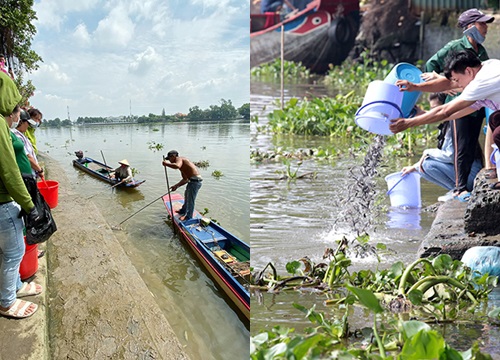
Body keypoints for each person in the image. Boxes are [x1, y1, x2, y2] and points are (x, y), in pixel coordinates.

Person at [389, 50, 500, 188]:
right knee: (495, 119)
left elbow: (445, 111)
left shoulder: (481, 82)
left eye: (458, 80)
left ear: (468, 71)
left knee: (498, 133)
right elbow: (453, 109)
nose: (458, 85)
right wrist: (416, 88)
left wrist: (408, 123)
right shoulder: (486, 67)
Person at [423, 8, 493, 200]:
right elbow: (431, 65)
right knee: (460, 148)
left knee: (471, 145)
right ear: (470, 27)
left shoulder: (482, 50)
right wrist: (443, 88)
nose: (485, 28)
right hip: (457, 104)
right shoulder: (454, 47)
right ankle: (459, 188)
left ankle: (467, 186)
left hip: (476, 105)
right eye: (482, 24)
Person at [0, 72, 42, 319]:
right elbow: (9, 172)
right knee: (14, 253)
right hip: (3, 202)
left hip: (5, 201)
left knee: (9, 252)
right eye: (15, 109)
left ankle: (16, 287)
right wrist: (29, 205)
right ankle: (6, 302)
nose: (16, 114)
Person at [400, 93, 482, 201]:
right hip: (468, 174)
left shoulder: (454, 125)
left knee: (427, 165)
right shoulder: (447, 124)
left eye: (436, 109)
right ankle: (456, 189)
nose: (434, 113)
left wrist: (426, 152)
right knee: (421, 167)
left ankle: (458, 189)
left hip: (472, 175)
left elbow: (450, 155)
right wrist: (414, 167)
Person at [162, 150, 202, 221]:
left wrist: (166, 164)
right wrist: (176, 186)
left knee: (190, 200)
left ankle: (188, 217)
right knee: (186, 196)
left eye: (169, 159)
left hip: (195, 181)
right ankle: (183, 210)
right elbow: (185, 179)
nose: (170, 161)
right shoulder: (182, 167)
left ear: (174, 156)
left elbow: (176, 166)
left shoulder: (179, 159)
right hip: (192, 181)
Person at [12, 109, 43, 178]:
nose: (28, 125)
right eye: (28, 123)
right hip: (26, 173)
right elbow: (27, 156)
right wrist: (39, 170)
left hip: (31, 171)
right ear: (20, 122)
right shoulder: (16, 136)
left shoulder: (23, 134)